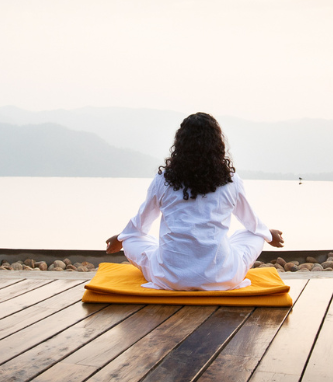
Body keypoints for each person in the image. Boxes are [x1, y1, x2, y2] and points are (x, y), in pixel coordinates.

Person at [105, 112, 284, 291]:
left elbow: (140, 224)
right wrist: (268, 234)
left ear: (180, 144)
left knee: (132, 239)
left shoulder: (163, 179)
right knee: (255, 234)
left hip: (170, 278)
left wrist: (121, 238)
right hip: (222, 278)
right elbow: (252, 223)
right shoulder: (231, 180)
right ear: (218, 144)